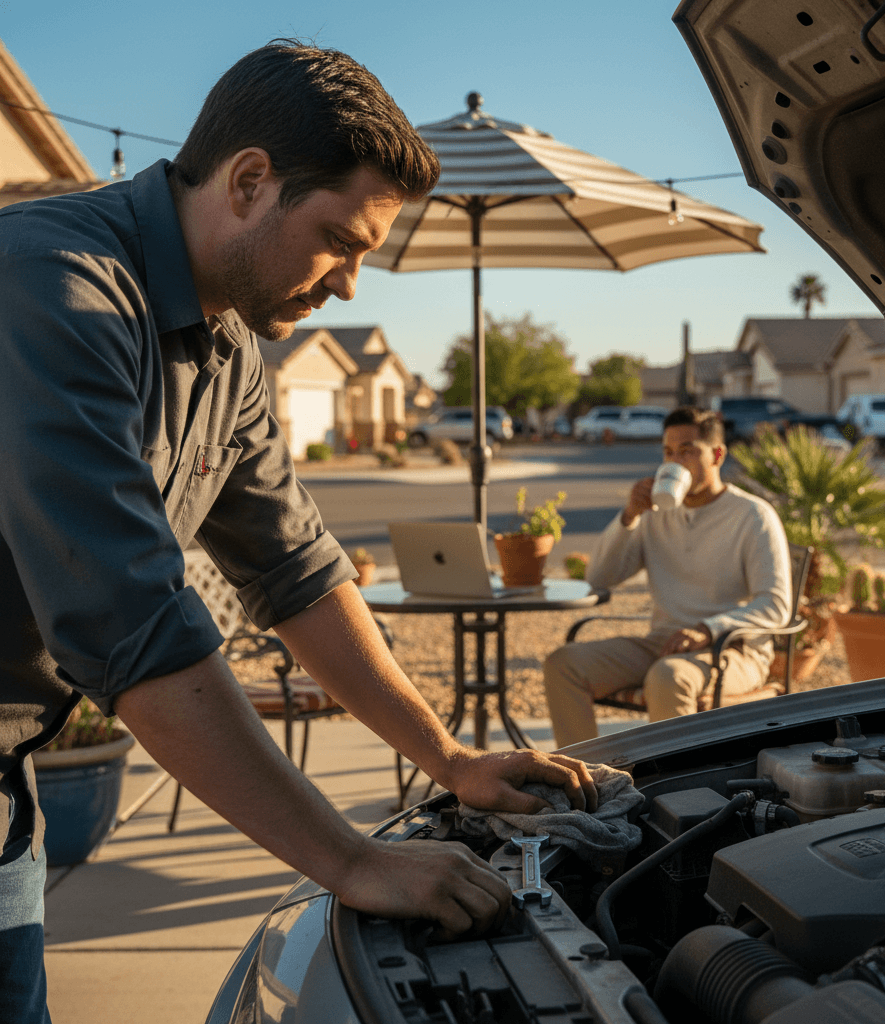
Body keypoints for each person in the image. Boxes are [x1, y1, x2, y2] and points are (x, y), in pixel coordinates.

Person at [0, 40, 597, 1022]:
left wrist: (447, 758)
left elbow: (296, 570)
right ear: (248, 181)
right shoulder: (52, 284)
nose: (353, 285)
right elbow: (132, 625)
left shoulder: (228, 344)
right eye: (339, 241)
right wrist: (350, 860)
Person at [543, 406, 791, 749]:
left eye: (688, 450)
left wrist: (708, 629)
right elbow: (599, 577)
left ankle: (675, 792)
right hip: (663, 642)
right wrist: (629, 516)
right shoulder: (655, 515)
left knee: (668, 677)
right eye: (669, 452)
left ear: (717, 454)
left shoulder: (752, 515)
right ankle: (587, 781)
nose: (675, 462)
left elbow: (776, 604)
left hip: (733, 648)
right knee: (563, 665)